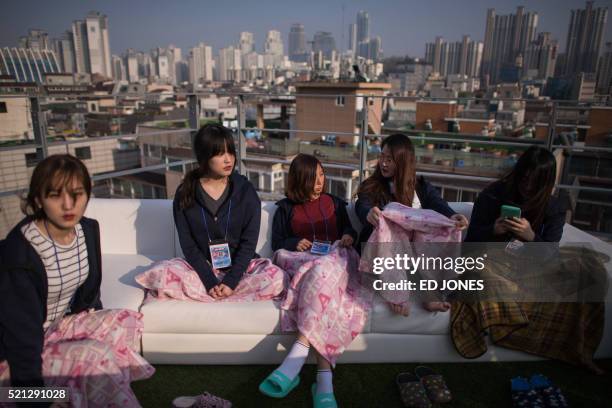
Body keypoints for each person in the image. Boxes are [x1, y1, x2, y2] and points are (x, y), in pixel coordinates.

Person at [0, 154, 154, 406]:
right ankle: (69, 394)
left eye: (76, 193)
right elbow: (20, 338)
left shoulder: (87, 229)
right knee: (96, 357)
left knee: (124, 321)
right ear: (38, 199)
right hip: (13, 368)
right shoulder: (20, 254)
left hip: (53, 331)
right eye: (55, 195)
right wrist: (38, 401)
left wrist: (92, 332)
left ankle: (95, 392)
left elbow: (89, 298)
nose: (68, 204)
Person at [260, 154, 368, 408]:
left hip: (333, 260)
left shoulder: (335, 203)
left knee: (324, 270)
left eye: (321, 175)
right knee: (321, 277)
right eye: (313, 177)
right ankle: (323, 380)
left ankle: (297, 356)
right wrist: (293, 242)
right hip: (301, 263)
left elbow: (348, 230)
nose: (320, 182)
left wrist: (348, 237)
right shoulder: (285, 208)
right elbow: (278, 244)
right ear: (299, 179)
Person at [136, 124, 286, 303]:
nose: (228, 159)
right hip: (201, 269)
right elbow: (189, 245)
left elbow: (248, 243)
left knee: (276, 278)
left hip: (241, 269)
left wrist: (230, 281)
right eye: (220, 153)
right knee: (162, 273)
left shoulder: (246, 191)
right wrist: (209, 281)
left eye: (230, 152)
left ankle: (214, 295)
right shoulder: (185, 193)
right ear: (204, 157)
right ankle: (221, 294)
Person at [355, 133, 468, 315]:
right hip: (381, 254)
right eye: (382, 157)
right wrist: (369, 213)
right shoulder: (372, 185)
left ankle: (429, 292)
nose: (383, 163)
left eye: (389, 159)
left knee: (425, 222)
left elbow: (437, 203)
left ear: (403, 161)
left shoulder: (420, 186)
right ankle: (396, 290)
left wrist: (453, 216)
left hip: (413, 257)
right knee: (394, 219)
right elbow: (363, 203)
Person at [465, 145, 564, 243]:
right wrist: (492, 230)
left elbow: (551, 253)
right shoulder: (493, 194)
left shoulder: (553, 209)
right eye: (525, 179)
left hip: (526, 258)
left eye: (536, 183)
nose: (528, 187)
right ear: (518, 174)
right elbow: (471, 237)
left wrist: (531, 236)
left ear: (546, 184)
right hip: (486, 255)